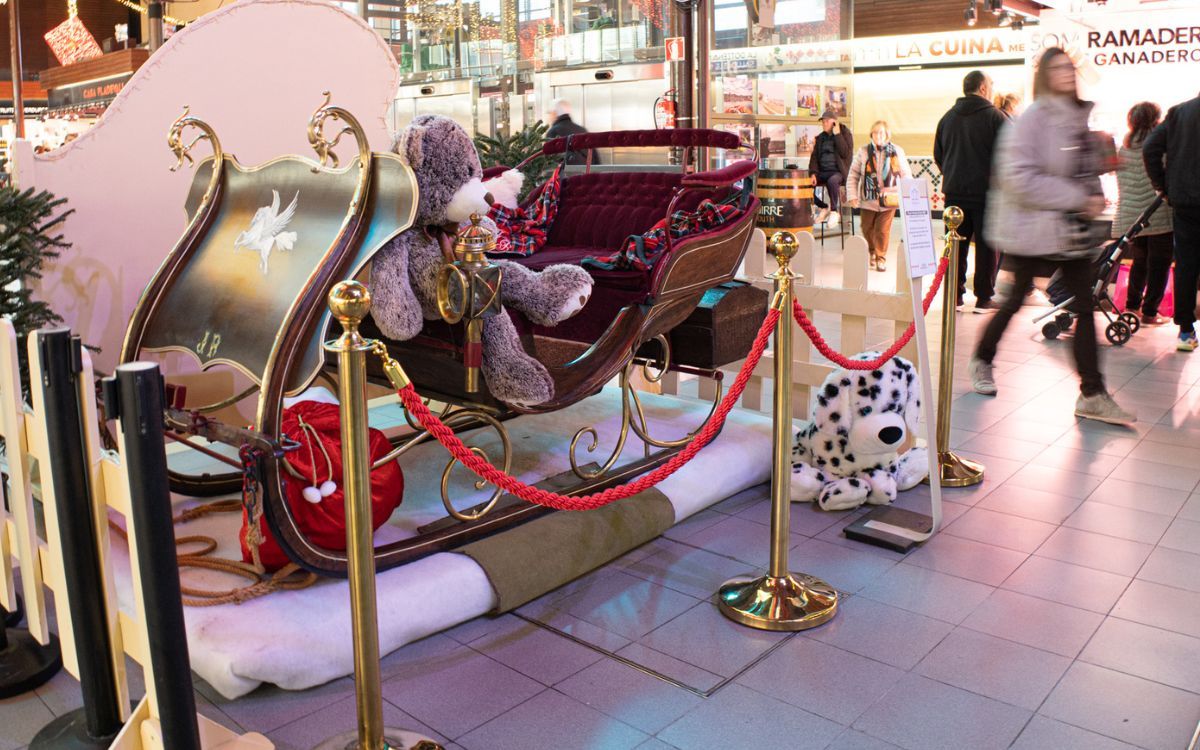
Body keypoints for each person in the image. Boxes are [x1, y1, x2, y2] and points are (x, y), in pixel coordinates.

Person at [969, 47, 1135, 425]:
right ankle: (982, 359)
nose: (1064, 73)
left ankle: (1092, 392)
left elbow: (1076, 169)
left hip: (1070, 232)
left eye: (1068, 67)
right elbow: (1018, 178)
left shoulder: (1076, 118)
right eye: (1055, 68)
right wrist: (1077, 196)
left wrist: (1099, 169)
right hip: (1032, 229)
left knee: (1085, 307)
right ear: (1043, 75)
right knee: (1013, 301)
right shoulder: (1032, 120)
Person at [934, 70, 1007, 311]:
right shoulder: (996, 118)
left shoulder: (946, 118)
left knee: (954, 245)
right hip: (987, 194)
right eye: (992, 84)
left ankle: (954, 295)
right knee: (987, 247)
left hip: (954, 194)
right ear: (983, 88)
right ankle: (984, 297)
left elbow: (939, 156)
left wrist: (954, 173)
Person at [1143, 90, 1200, 351]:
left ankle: (1186, 331)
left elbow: (1150, 147)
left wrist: (1163, 185)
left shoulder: (1180, 113)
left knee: (1187, 266)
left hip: (1186, 202)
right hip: (1186, 198)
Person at [1116, 102, 1174, 326]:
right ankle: (1150, 311)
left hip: (1133, 216)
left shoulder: (1125, 145)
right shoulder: (1160, 143)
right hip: (1158, 212)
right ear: (1155, 119)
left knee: (1139, 261)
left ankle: (1132, 307)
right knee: (1159, 263)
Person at [846, 120, 912, 272]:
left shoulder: (897, 151)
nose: (878, 135)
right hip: (868, 199)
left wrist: (907, 195)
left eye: (881, 132)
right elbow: (853, 174)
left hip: (889, 200)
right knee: (866, 227)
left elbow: (906, 174)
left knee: (882, 230)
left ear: (887, 134)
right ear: (871, 134)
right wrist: (853, 196)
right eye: (875, 132)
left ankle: (880, 258)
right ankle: (871, 251)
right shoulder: (863, 151)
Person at [807, 109, 853, 228]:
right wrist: (812, 173)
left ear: (834, 122)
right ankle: (823, 207)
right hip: (822, 172)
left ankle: (834, 211)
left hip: (838, 172)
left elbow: (845, 153)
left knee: (832, 181)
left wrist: (837, 135)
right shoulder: (821, 137)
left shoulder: (845, 133)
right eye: (823, 121)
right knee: (805, 184)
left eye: (827, 121)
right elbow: (814, 157)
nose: (824, 124)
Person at [544, 99, 598, 166]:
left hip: (565, 175)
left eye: (550, 113)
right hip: (584, 174)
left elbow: (549, 160)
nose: (549, 116)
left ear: (555, 113)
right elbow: (595, 157)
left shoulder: (553, 132)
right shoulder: (582, 130)